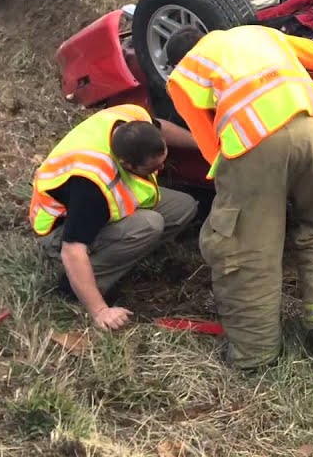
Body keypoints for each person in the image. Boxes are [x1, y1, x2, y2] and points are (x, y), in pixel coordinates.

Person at [163, 23, 313, 370]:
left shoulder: (185, 72)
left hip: (256, 140)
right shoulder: (259, 33)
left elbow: (208, 141)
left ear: (176, 59)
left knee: (249, 247)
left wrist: (231, 182)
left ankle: (255, 355)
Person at [29, 103, 200, 331]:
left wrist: (202, 145)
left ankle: (125, 251)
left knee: (184, 207)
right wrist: (100, 311)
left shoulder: (133, 119)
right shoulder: (92, 187)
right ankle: (80, 286)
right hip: (60, 230)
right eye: (152, 168)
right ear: (127, 164)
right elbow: (72, 249)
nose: (160, 168)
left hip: (109, 205)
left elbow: (162, 129)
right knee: (149, 225)